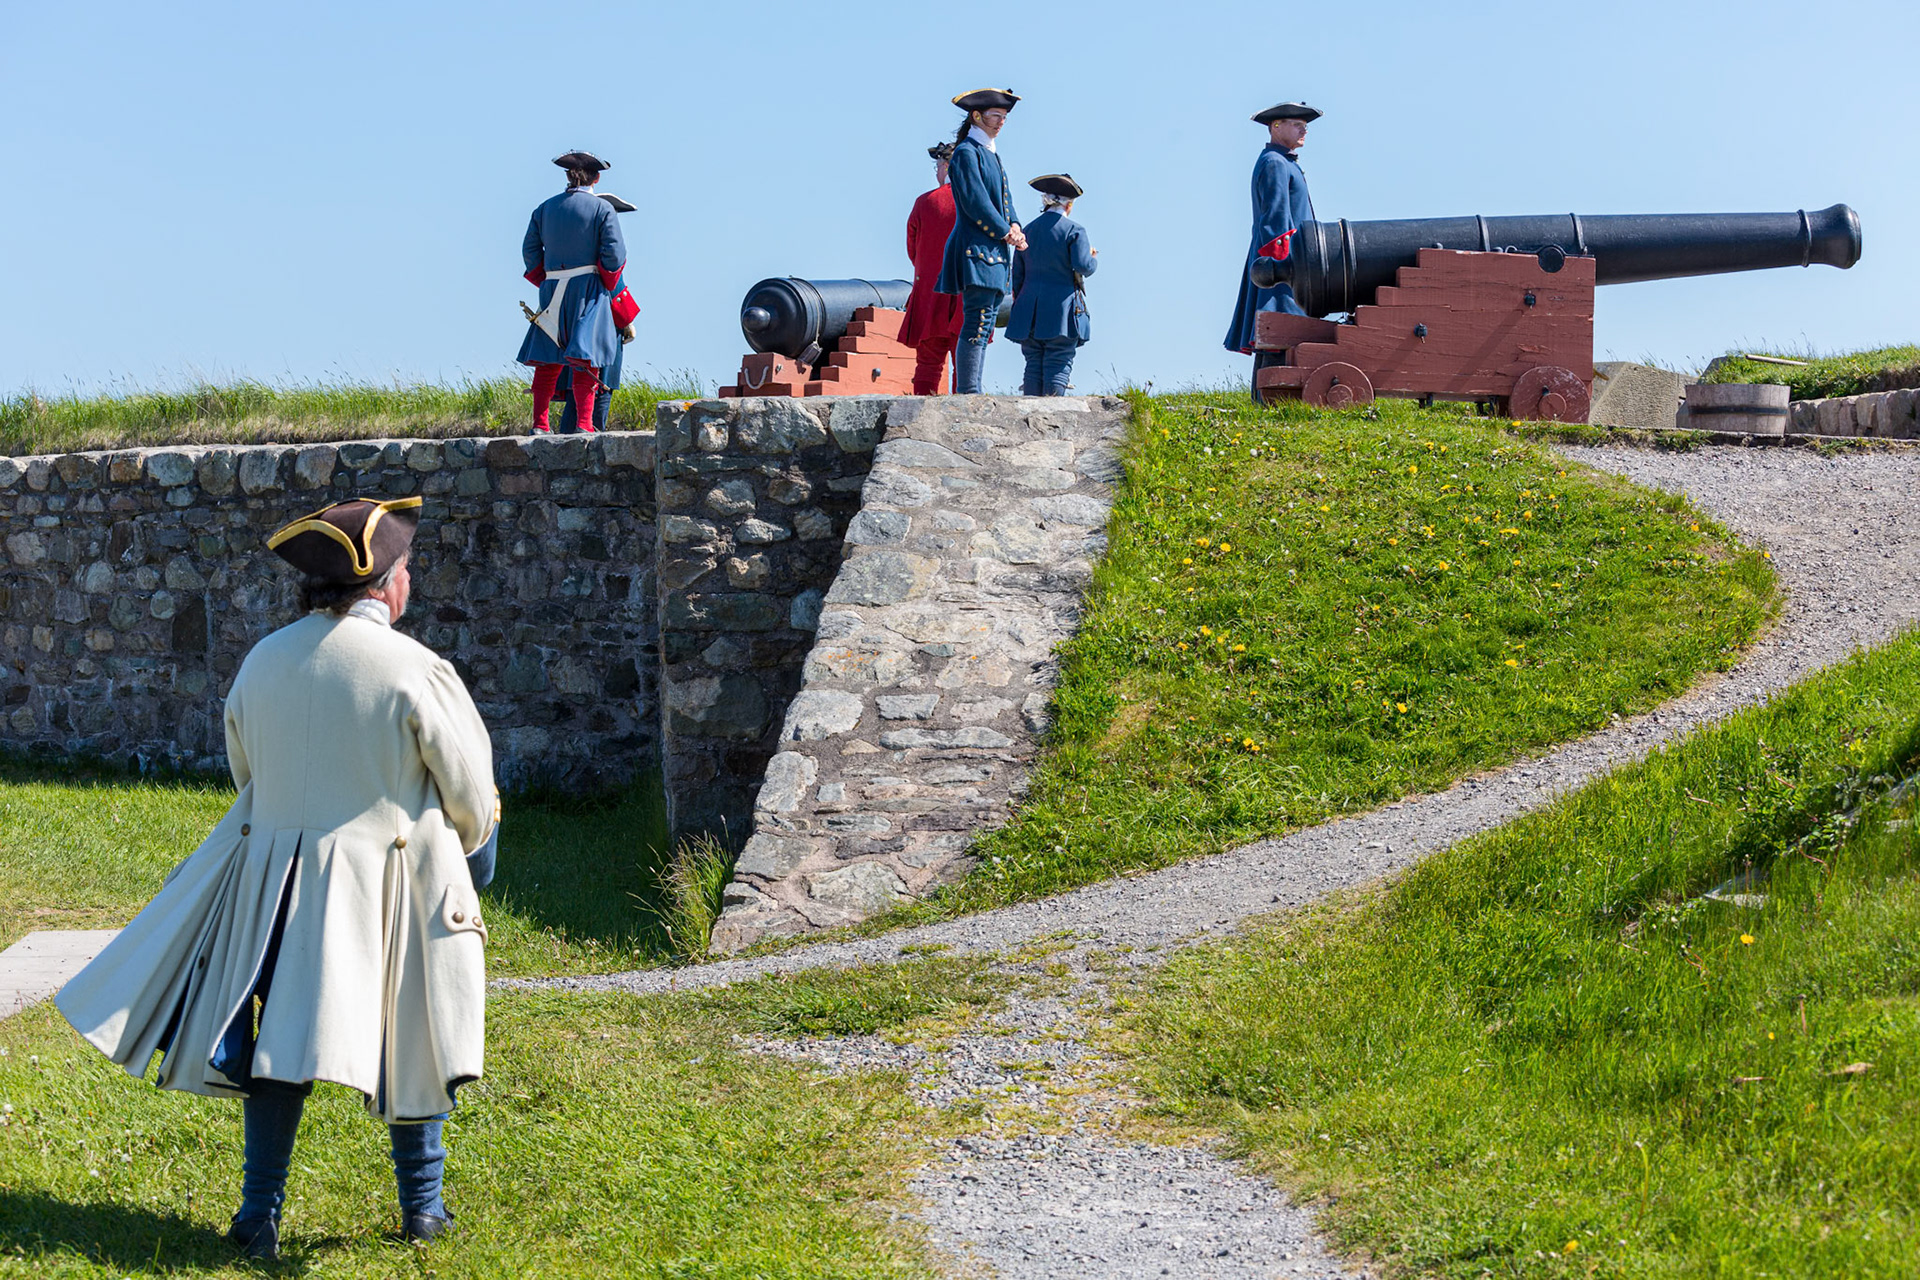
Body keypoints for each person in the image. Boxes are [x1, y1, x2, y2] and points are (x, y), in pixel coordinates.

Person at [56, 496, 500, 1260]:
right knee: (414, 1031)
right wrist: (474, 853)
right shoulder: (417, 669)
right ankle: (423, 1209)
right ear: (386, 582)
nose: (409, 584)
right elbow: (468, 795)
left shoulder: (262, 660)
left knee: (278, 1052)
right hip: (394, 882)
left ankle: (257, 1213)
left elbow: (247, 773)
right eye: (407, 571)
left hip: (279, 885)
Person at [518, 149, 627, 433]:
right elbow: (614, 255)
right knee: (585, 358)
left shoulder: (544, 208)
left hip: (552, 290)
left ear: (568, 176)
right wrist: (605, 281)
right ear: (597, 178)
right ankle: (583, 424)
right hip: (588, 288)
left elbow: (529, 251)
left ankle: (540, 425)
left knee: (547, 361)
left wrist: (545, 279)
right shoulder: (603, 209)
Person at [1224, 102, 1320, 403]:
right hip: (1282, 261)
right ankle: (1272, 400)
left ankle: (1264, 399)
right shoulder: (1275, 163)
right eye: (1296, 123)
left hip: (1287, 258)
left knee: (1276, 333)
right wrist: (1288, 268)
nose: (1304, 129)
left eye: (1305, 124)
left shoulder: (1285, 162)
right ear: (1275, 126)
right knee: (1280, 327)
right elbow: (1276, 223)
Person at [936, 88, 1026, 395]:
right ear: (977, 116)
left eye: (1004, 117)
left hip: (994, 251)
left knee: (985, 323)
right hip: (977, 249)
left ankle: (972, 386)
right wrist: (1005, 230)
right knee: (977, 320)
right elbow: (976, 202)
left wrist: (1014, 223)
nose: (1001, 122)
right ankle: (968, 390)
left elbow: (1004, 198)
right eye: (996, 116)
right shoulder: (966, 152)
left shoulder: (990, 153)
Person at [1006, 174, 1097, 397]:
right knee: (1058, 363)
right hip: (1062, 311)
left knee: (1033, 364)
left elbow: (1017, 275)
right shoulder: (1075, 231)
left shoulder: (1027, 230)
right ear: (1069, 204)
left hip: (1028, 311)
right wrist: (1093, 257)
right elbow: (1083, 265)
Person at [560, 192, 642, 433]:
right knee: (601, 387)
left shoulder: (575, 248)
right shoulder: (604, 252)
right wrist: (626, 320)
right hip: (604, 324)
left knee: (578, 393)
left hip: (574, 319)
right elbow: (614, 287)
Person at [900, 142, 964, 396]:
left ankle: (920, 409)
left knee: (927, 363)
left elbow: (912, 249)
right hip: (965, 290)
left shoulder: (924, 202)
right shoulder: (976, 202)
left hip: (930, 290)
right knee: (966, 361)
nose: (937, 172)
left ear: (946, 166)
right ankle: (965, 410)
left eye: (938, 166)